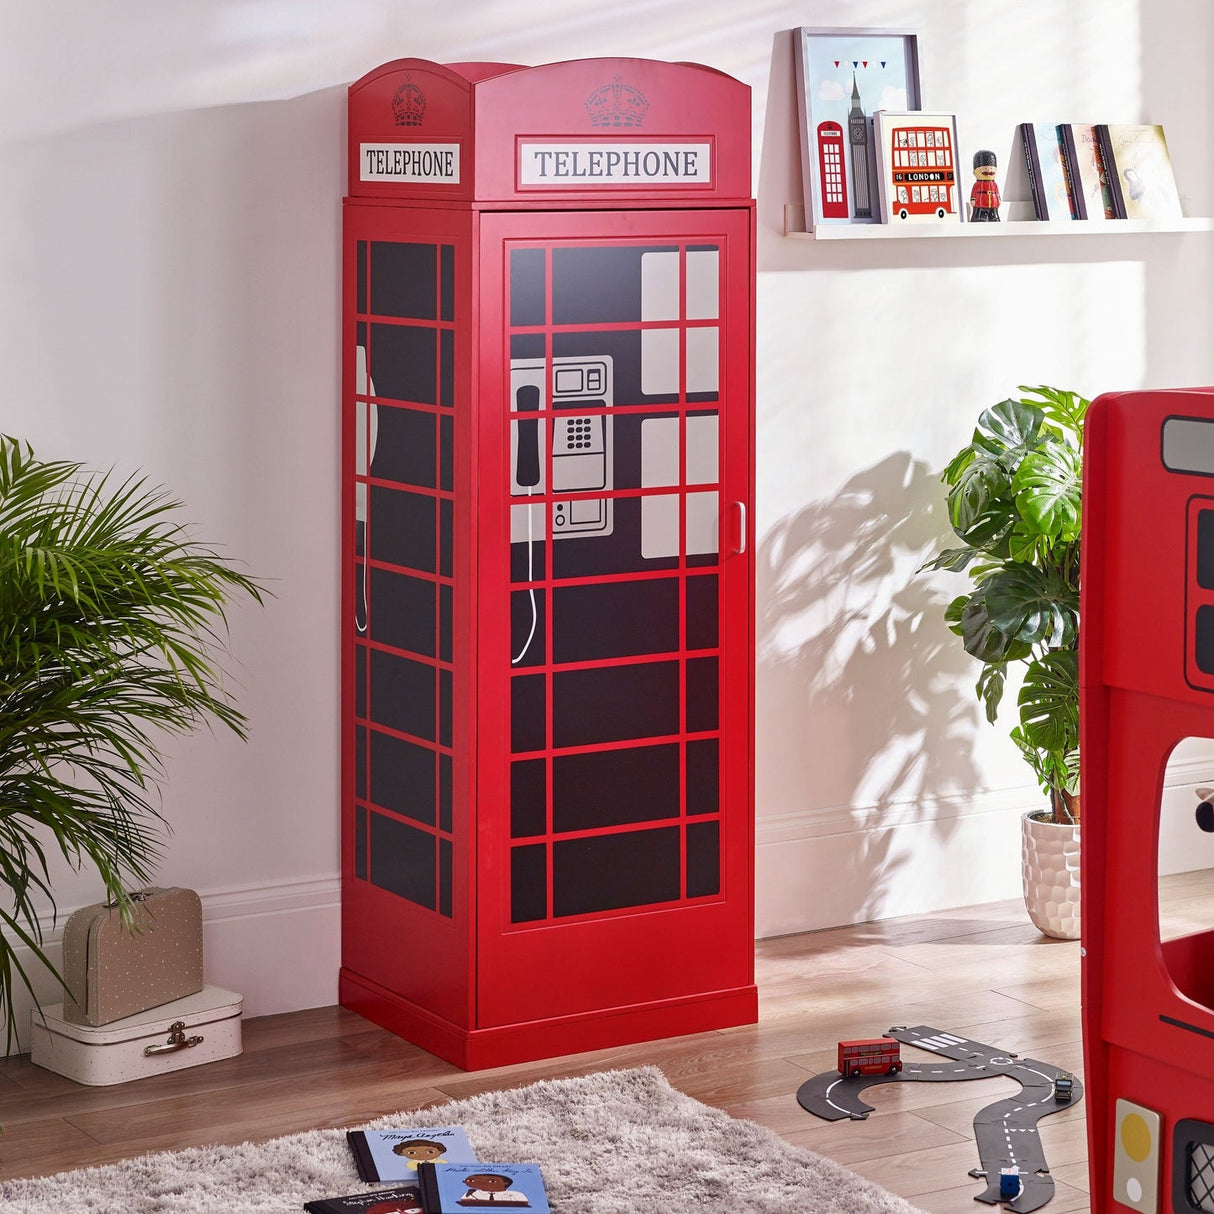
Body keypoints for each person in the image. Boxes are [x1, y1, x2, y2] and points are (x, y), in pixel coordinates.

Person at [970, 150, 1001, 221]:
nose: (989, 171)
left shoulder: (994, 184)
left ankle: (994, 218)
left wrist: (998, 199)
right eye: (986, 169)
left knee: (994, 217)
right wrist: (973, 199)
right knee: (979, 217)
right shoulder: (977, 185)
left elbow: (996, 192)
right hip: (980, 204)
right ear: (975, 172)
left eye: (991, 169)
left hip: (993, 204)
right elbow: (974, 192)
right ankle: (978, 218)